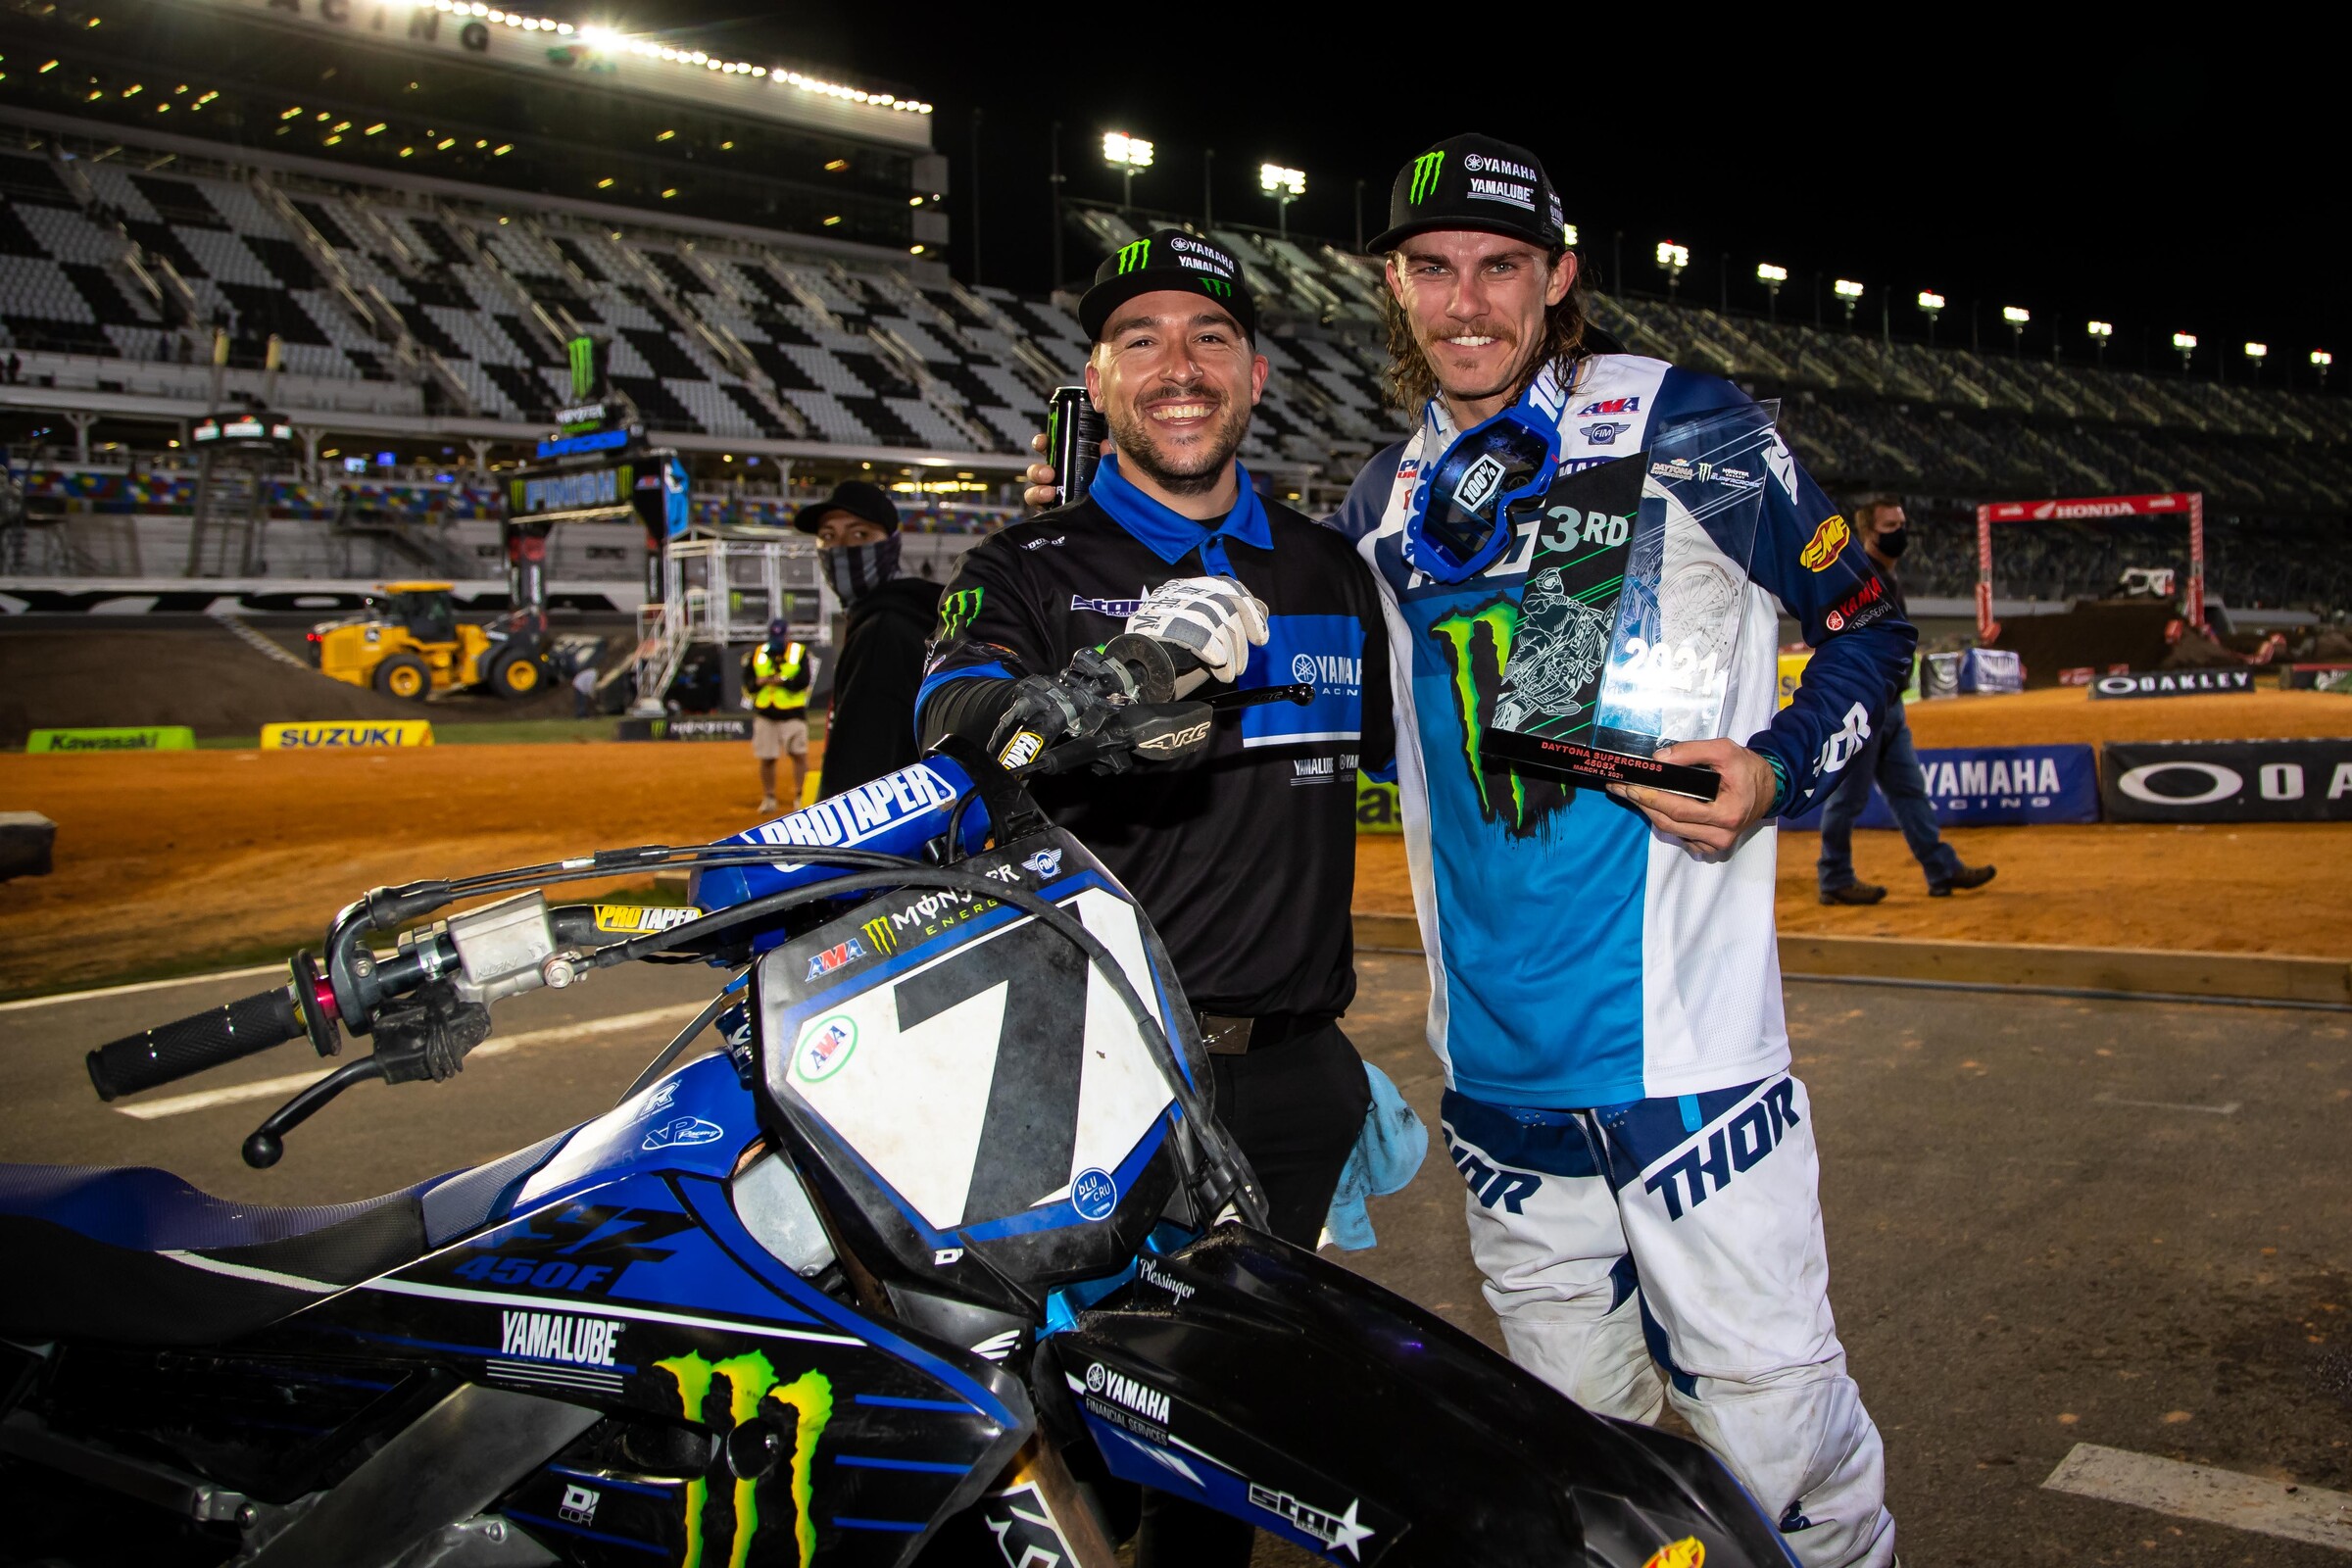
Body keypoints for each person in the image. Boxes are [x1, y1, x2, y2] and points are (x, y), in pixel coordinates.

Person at [1328, 136, 1905, 1568]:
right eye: (1434, 268)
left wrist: (1776, 770)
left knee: (1780, 1452)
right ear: (1394, 288)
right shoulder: (1380, 502)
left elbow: (1874, 624)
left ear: (1559, 279)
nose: (1468, 300)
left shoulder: (1683, 422)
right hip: (1498, 1078)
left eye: (1502, 266)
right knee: (1578, 1467)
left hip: (1691, 1066)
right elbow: (1382, 751)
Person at [922, 230, 1394, 1568]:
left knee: (1222, 1460)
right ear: (1097, 378)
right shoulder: (1025, 567)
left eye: (1207, 340)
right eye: (1140, 341)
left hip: (1293, 1087)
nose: (1176, 367)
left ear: (1253, 374)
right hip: (1090, 1082)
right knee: (1065, 1450)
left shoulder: (1325, 572)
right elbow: (954, 723)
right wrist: (1096, 695)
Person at [1816, 496, 1995, 905]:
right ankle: (1834, 878)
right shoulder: (1859, 578)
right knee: (1848, 798)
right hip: (1866, 707)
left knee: (1910, 792)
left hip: (1890, 709)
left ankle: (1941, 869)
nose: (1901, 533)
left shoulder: (1885, 579)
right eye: (1890, 527)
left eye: (1902, 524)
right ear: (1867, 532)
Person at [792, 479, 939, 800]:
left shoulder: (881, 631)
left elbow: (860, 782)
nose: (840, 547)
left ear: (892, 544)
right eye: (827, 536)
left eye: (860, 534)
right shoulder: (906, 617)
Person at [747, 617, 809, 813]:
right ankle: (769, 797)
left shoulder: (798, 652)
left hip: (793, 714)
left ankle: (801, 796)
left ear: (787, 635)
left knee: (799, 754)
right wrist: (760, 682)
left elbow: (803, 680)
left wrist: (782, 681)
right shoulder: (758, 653)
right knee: (767, 757)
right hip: (767, 714)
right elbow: (748, 683)